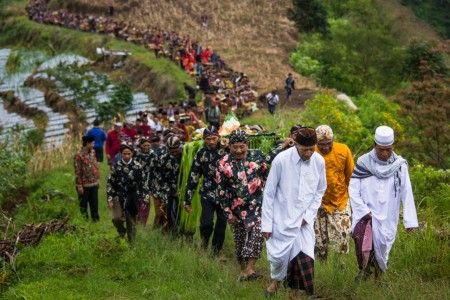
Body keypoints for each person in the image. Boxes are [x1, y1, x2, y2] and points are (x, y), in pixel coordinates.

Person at [262, 127, 326, 298]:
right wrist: (267, 224)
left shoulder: (319, 161)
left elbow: (320, 190)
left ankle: (293, 294)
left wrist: (309, 215)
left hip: (304, 223)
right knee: (278, 260)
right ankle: (275, 283)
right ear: (296, 144)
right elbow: (269, 193)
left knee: (303, 258)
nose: (309, 153)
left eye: (312, 149)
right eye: (305, 149)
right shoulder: (281, 160)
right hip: (281, 218)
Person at [349, 126, 418, 282]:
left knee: (383, 247)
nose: (385, 153)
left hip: (388, 214)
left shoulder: (400, 166)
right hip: (366, 214)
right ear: (374, 146)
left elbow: (407, 192)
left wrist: (409, 220)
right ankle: (365, 269)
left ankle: (378, 279)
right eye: (381, 150)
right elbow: (353, 190)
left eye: (388, 149)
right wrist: (364, 211)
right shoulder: (363, 162)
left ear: (392, 146)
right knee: (362, 241)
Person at [216, 129, 269, 281]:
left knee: (257, 236)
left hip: (258, 205)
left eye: (242, 146)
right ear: (230, 146)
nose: (239, 150)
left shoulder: (257, 156)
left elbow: (267, 177)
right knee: (240, 243)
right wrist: (228, 214)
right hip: (236, 209)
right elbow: (221, 191)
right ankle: (244, 270)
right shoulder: (222, 164)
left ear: (247, 144)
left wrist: (268, 197)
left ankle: (250, 268)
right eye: (235, 147)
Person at [184, 126, 228, 256]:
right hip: (207, 192)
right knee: (207, 223)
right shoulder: (201, 154)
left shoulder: (226, 151)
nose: (211, 142)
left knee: (221, 223)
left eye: (214, 138)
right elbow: (193, 176)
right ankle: (204, 243)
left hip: (224, 193)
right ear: (204, 139)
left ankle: (216, 251)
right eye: (208, 139)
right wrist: (188, 199)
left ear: (218, 137)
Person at [314, 125, 354, 260]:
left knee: (343, 234)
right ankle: (321, 269)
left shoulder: (343, 150)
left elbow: (350, 177)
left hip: (340, 200)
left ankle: (340, 266)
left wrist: (353, 201)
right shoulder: (311, 152)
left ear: (333, 140)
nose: (325, 147)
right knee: (319, 241)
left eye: (328, 144)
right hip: (318, 203)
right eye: (321, 144)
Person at [107, 141, 150, 244]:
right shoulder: (116, 166)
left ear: (132, 154)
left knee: (131, 222)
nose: (126, 155)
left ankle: (132, 244)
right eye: (124, 153)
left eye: (128, 153)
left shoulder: (138, 166)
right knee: (116, 218)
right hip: (118, 195)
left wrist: (144, 199)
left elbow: (143, 183)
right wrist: (109, 198)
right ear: (121, 154)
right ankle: (122, 231)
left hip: (132, 196)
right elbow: (110, 183)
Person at [158, 136, 183, 234]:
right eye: (171, 151)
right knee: (171, 213)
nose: (174, 153)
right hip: (170, 190)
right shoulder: (164, 158)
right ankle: (174, 234)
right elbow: (160, 175)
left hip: (184, 189)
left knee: (183, 213)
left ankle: (186, 234)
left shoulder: (186, 156)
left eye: (176, 151)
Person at [74, 135, 100, 222]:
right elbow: (77, 171)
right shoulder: (78, 155)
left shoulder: (93, 152)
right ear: (87, 144)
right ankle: (85, 221)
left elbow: (95, 165)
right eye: (92, 143)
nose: (94, 144)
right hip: (84, 185)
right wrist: (79, 186)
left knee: (94, 203)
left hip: (94, 183)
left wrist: (97, 179)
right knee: (83, 204)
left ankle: (95, 220)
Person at [134, 136, 152, 226]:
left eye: (148, 145)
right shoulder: (135, 154)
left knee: (146, 201)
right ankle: (135, 220)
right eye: (144, 145)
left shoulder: (153, 155)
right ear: (140, 145)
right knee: (136, 201)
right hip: (136, 183)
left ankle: (143, 223)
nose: (146, 147)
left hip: (148, 183)